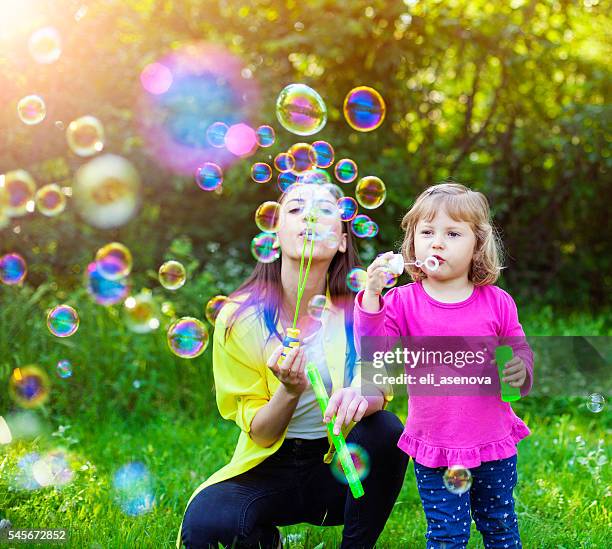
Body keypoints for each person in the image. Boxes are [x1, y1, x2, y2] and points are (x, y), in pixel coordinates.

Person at [178, 182, 409, 549]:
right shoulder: (240, 319)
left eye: (324, 210)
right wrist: (288, 390)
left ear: (344, 240)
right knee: (206, 526)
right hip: (269, 467)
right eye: (297, 209)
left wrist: (366, 393)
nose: (311, 217)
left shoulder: (362, 309)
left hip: (341, 466)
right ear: (275, 234)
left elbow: (379, 382)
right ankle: (263, 539)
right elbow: (262, 433)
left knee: (384, 429)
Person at [354, 182, 533, 548]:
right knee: (446, 535)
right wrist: (372, 297)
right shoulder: (402, 302)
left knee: (500, 526)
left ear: (477, 245)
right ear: (413, 242)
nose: (437, 242)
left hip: (493, 445)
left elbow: (517, 359)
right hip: (436, 448)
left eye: (452, 233)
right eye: (427, 232)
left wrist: (519, 370)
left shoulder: (497, 303)